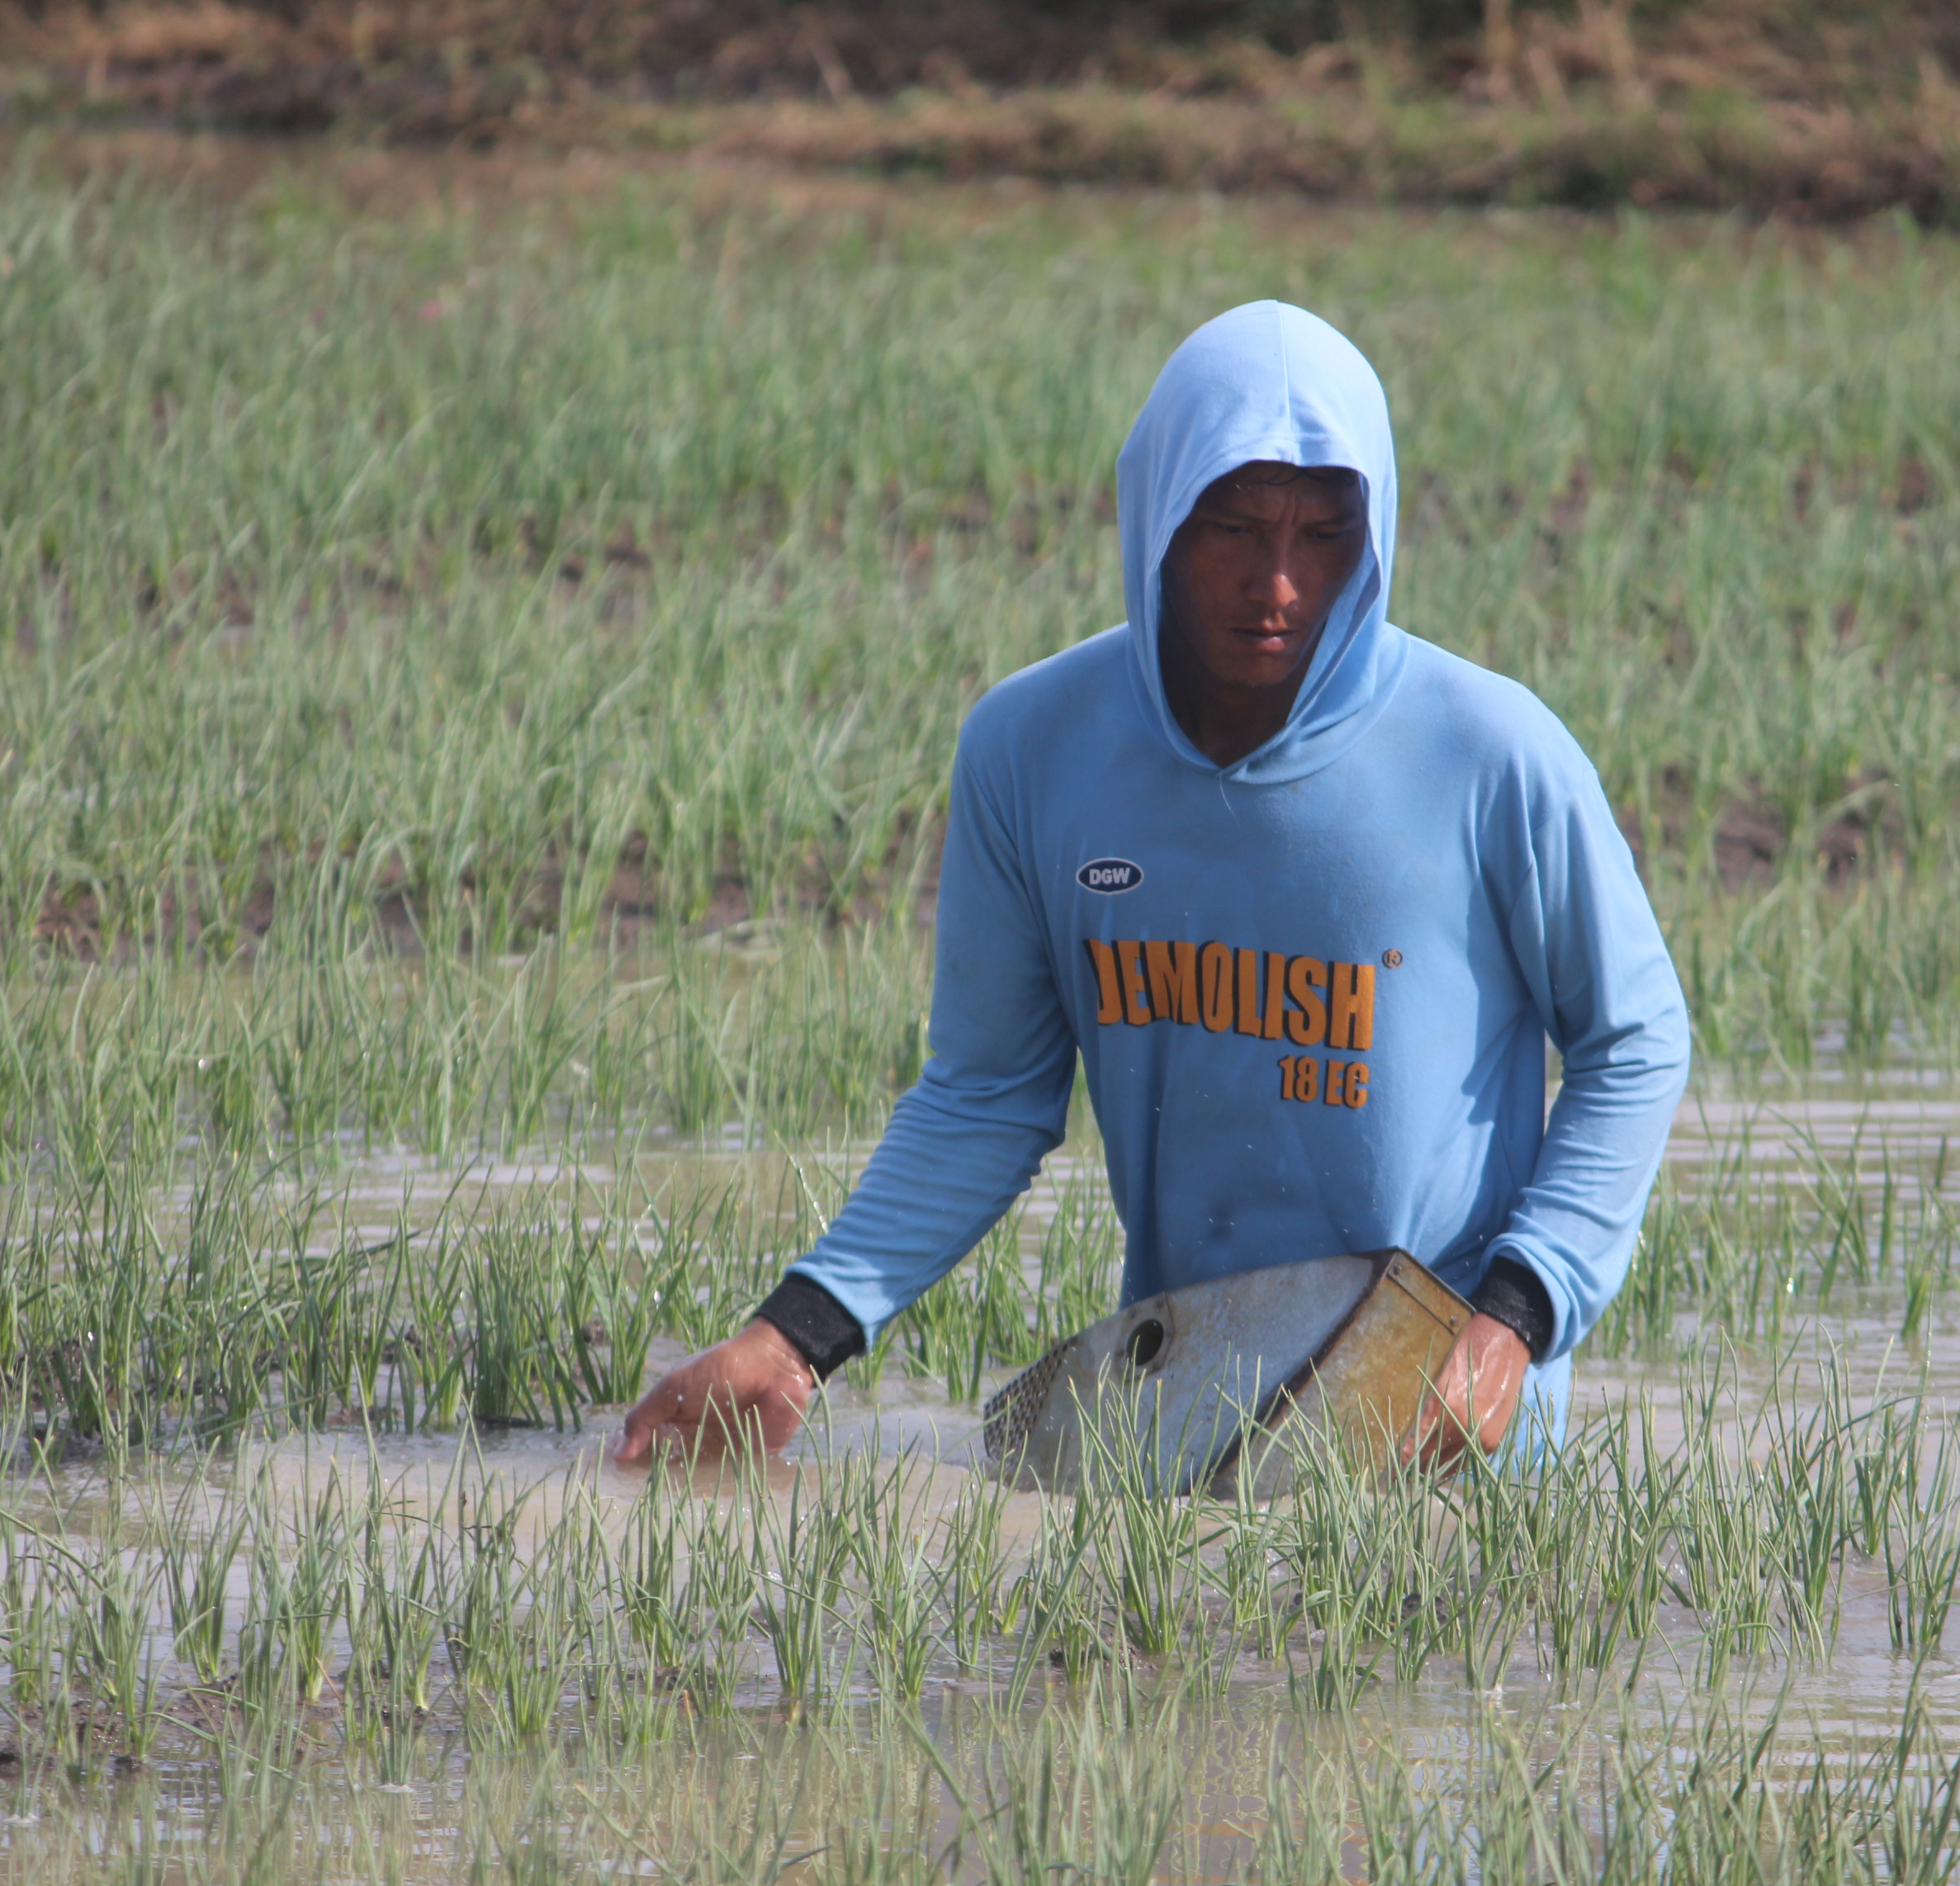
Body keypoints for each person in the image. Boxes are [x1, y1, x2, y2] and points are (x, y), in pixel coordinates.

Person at [614, 301, 1689, 1472]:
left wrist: (1517, 1318)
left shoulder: (1490, 753)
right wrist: (796, 1338)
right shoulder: (1035, 750)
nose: (1277, 584)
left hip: (1447, 1438)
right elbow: (986, 1096)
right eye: (1231, 528)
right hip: (1180, 1419)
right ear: (1157, 518)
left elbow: (1634, 1039)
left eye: (1324, 535)